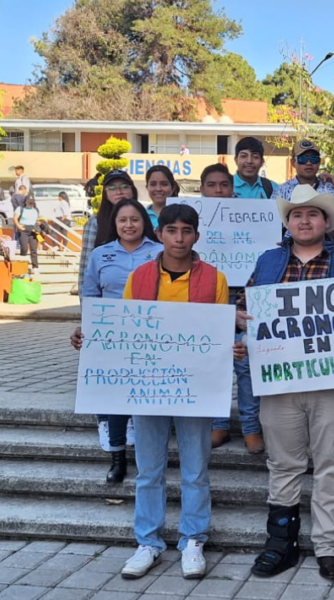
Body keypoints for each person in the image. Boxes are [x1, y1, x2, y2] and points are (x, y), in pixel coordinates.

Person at [71, 204, 244, 581]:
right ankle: (147, 541)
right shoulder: (141, 276)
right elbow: (123, 327)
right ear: (160, 234)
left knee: (195, 470)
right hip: (148, 387)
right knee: (149, 470)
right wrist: (92, 338)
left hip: (193, 389)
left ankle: (193, 540)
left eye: (186, 231)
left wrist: (228, 346)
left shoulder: (215, 279)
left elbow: (218, 331)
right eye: (171, 231)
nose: (179, 238)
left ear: (197, 236)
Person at [245, 185, 334, 583]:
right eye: (296, 214)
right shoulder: (267, 261)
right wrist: (240, 320)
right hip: (281, 380)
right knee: (283, 463)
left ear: (327, 222)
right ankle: (281, 543)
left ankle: (327, 546)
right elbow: (245, 307)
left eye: (312, 214)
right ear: (287, 222)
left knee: (330, 462)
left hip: (333, 380)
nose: (304, 220)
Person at [79, 198, 162, 483]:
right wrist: (87, 329)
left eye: (135, 219)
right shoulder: (101, 254)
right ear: (114, 224)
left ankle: (148, 458)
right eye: (123, 220)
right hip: (113, 336)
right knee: (115, 398)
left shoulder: (161, 252)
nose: (129, 225)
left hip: (154, 336)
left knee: (146, 398)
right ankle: (117, 458)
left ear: (145, 223)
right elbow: (90, 294)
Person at [204, 162, 263, 453]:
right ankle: (219, 424)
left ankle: (252, 427)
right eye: (212, 185)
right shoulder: (193, 218)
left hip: (245, 298)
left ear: (232, 188)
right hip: (207, 301)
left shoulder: (252, 215)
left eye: (224, 185)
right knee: (216, 363)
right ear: (202, 189)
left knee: (246, 363)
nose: (218, 190)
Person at [77, 170, 139, 296]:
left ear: (133, 190)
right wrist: (87, 310)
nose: (119, 192)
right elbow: (86, 270)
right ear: (105, 193)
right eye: (112, 188)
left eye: (124, 187)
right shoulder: (95, 223)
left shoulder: (144, 220)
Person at [145, 165, 180, 229]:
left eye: (164, 184)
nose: (158, 189)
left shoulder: (183, 214)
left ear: (173, 188)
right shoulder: (141, 215)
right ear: (147, 187)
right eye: (153, 184)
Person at [13, 196, 41, 271]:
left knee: (33, 249)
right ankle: (22, 266)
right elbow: (15, 218)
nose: (31, 204)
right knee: (24, 248)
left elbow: (37, 219)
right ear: (26, 202)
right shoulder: (20, 209)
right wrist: (18, 226)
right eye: (29, 202)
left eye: (32, 202)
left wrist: (39, 223)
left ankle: (35, 267)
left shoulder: (36, 210)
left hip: (33, 230)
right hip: (24, 229)